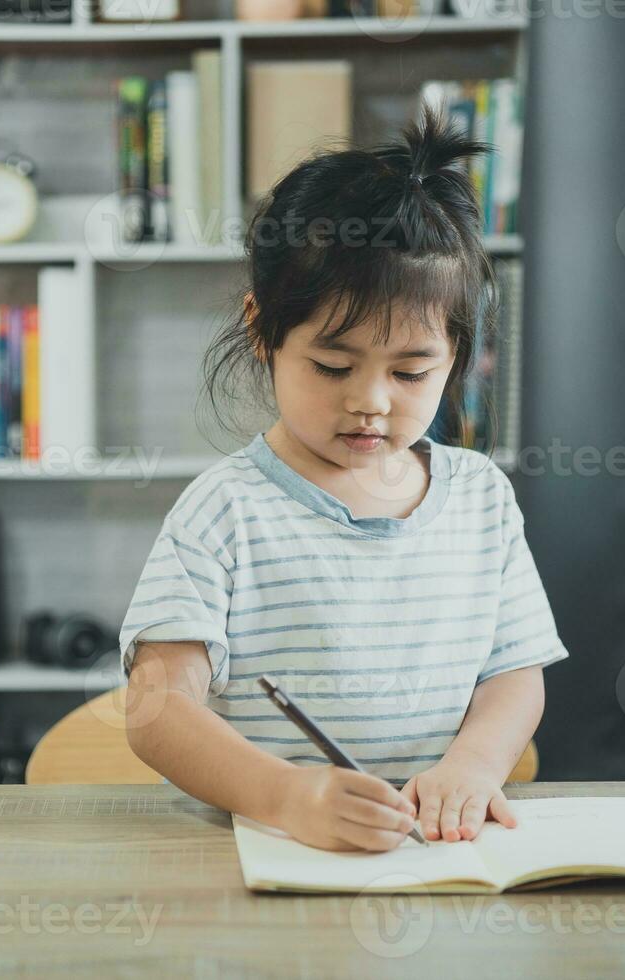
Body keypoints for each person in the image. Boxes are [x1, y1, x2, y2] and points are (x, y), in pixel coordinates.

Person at [117, 105, 568, 852]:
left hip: (432, 859)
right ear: (263, 332)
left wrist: (474, 764)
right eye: (333, 366)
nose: (372, 400)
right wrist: (287, 797)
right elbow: (157, 708)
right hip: (274, 851)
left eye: (412, 370)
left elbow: (514, 671)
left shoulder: (481, 499)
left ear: (455, 355)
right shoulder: (227, 509)